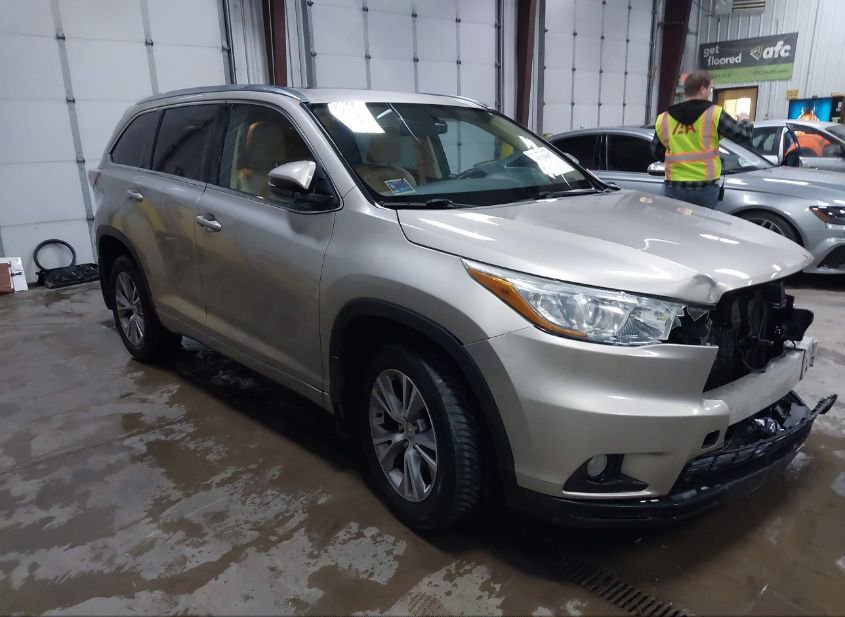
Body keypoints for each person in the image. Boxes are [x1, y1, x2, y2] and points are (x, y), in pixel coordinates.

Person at [651, 71, 753, 209]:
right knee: (702, 222)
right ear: (702, 89)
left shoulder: (664, 118)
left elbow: (656, 151)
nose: (710, 92)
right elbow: (743, 135)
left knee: (675, 222)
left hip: (674, 186)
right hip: (704, 188)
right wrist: (744, 120)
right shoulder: (714, 114)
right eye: (710, 88)